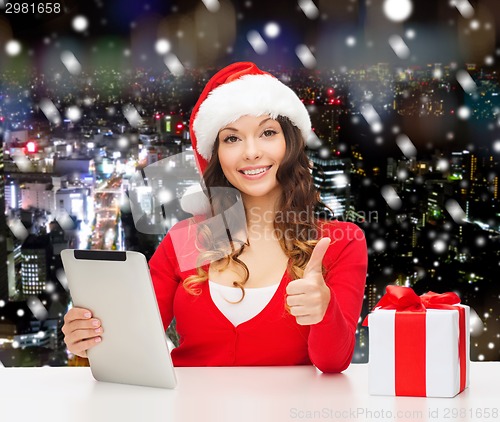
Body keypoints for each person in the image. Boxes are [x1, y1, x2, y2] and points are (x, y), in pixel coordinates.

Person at [62, 62, 368, 373]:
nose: (251, 153)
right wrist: (89, 338)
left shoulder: (339, 243)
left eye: (267, 133)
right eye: (232, 138)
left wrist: (324, 309)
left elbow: (333, 362)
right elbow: (133, 341)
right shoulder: (187, 239)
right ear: (216, 155)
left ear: (292, 143)